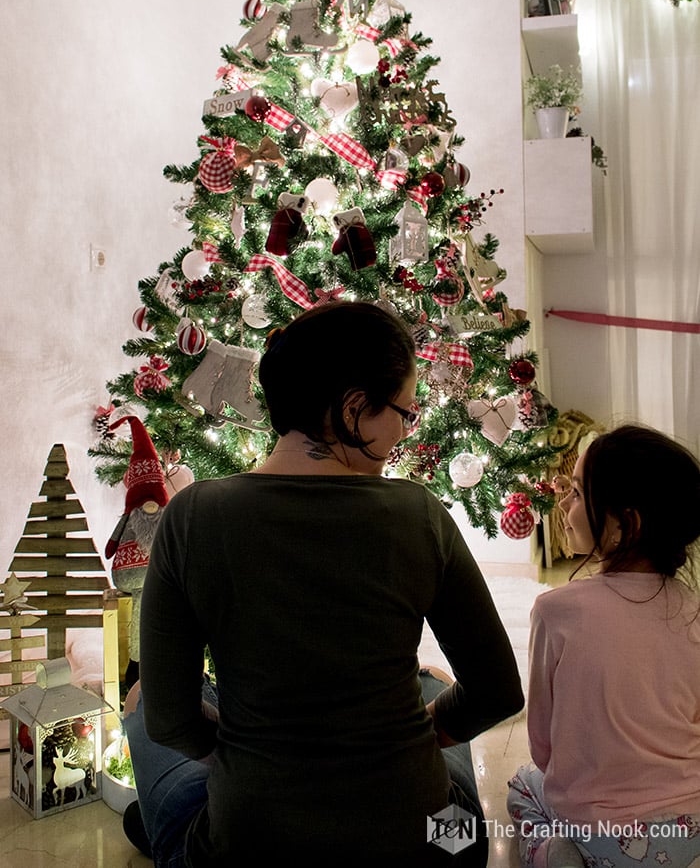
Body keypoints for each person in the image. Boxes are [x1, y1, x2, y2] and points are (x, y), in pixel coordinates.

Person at [122, 300, 524, 866]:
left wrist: (260, 759)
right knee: (434, 707)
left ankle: (168, 824)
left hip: (247, 844)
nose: (405, 434)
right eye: (404, 415)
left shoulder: (192, 516)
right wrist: (403, 741)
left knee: (143, 707)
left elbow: (171, 720)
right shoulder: (420, 514)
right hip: (429, 847)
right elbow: (496, 693)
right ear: (355, 409)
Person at [507, 424, 700, 868]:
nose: (563, 503)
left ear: (624, 524)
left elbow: (543, 743)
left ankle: (556, 855)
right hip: (689, 831)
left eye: (575, 492)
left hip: (602, 841)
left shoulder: (555, 611)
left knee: (522, 783)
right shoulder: (693, 609)